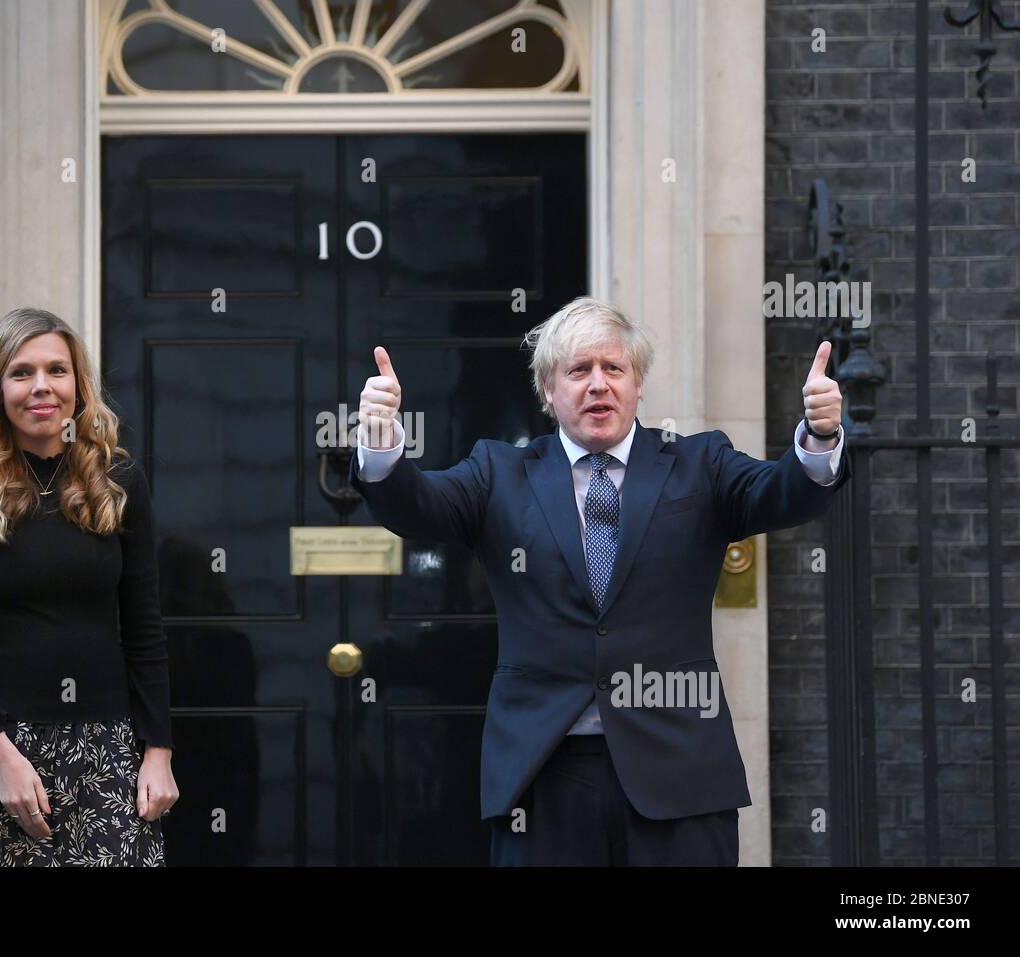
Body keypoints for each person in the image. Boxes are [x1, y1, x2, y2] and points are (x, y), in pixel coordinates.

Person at [351, 296, 850, 866]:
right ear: (548, 390)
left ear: (638, 385)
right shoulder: (498, 472)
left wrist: (818, 437)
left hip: (678, 770)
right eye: (578, 370)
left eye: (614, 369)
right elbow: (418, 506)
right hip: (543, 776)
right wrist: (382, 441)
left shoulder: (700, 463)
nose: (598, 385)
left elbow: (782, 492)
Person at [0, 307, 177, 866]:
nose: (41, 387)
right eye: (21, 372)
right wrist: (2, 756)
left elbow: (144, 627)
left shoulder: (119, 482)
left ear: (78, 385)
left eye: (57, 370)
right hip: (0, 749)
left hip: (106, 747)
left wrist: (158, 750)